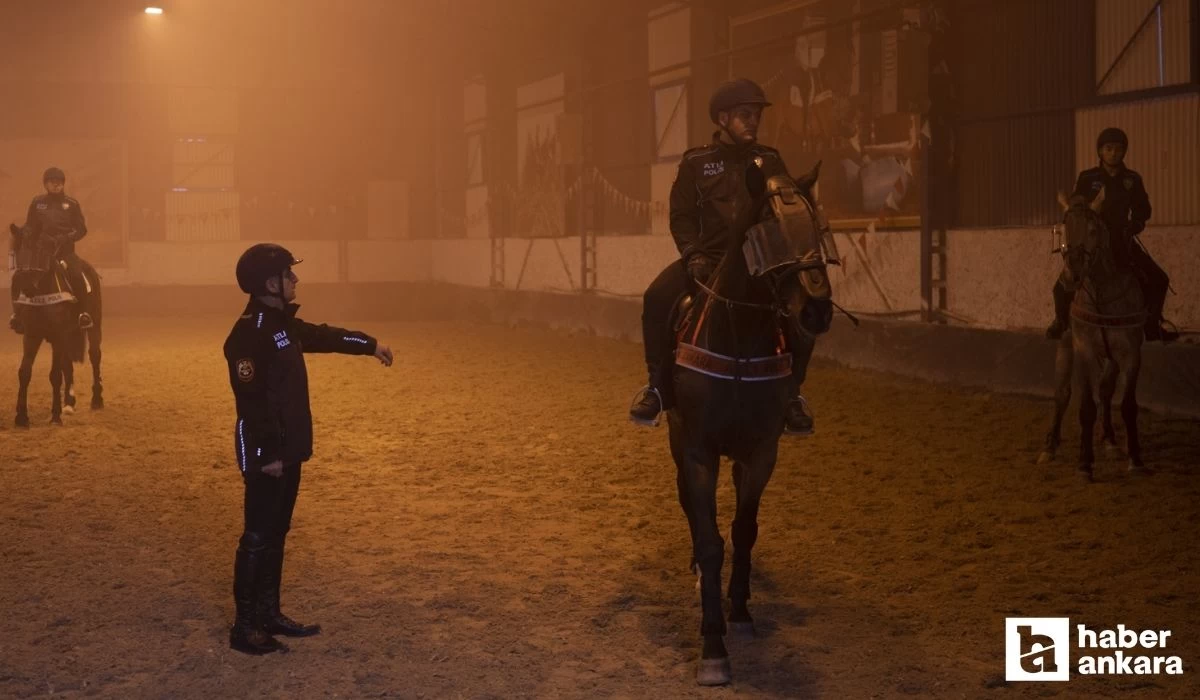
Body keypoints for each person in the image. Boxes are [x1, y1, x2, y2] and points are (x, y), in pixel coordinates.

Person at [223, 243, 394, 655]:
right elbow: (252, 403)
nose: (295, 280)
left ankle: (269, 613)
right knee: (257, 536)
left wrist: (368, 344)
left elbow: (324, 335)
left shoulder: (282, 324)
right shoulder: (249, 334)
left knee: (277, 531)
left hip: (288, 447)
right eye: (288, 274)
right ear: (270, 283)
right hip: (267, 453)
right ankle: (245, 626)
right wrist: (269, 456)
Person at [629, 78, 817, 436]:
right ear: (722, 119)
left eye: (756, 115)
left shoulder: (771, 160)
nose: (753, 121)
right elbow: (681, 216)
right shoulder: (696, 162)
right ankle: (656, 387)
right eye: (745, 114)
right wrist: (692, 254)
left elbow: (785, 211)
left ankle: (792, 393)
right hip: (707, 261)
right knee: (656, 297)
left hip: (761, 263)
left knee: (803, 305)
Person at [1046, 127, 1178, 343]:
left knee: (1159, 279)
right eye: (1109, 149)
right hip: (1091, 240)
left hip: (1120, 239)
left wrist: (1133, 225)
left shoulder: (1133, 179)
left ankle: (1152, 324)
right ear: (1100, 152)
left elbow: (1143, 209)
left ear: (1124, 152)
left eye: (1118, 149)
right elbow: (1078, 207)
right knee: (1062, 285)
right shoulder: (1088, 177)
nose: (1114, 153)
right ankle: (1060, 321)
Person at [10, 167, 94, 333]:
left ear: (63, 184)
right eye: (52, 182)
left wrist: (66, 237)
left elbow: (81, 229)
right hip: (40, 252)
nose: (55, 185)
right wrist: (21, 232)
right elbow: (31, 225)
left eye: (59, 182)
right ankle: (17, 314)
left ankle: (83, 314)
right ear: (45, 184)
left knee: (76, 274)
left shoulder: (71, 204)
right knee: (18, 276)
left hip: (65, 251)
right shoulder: (37, 202)